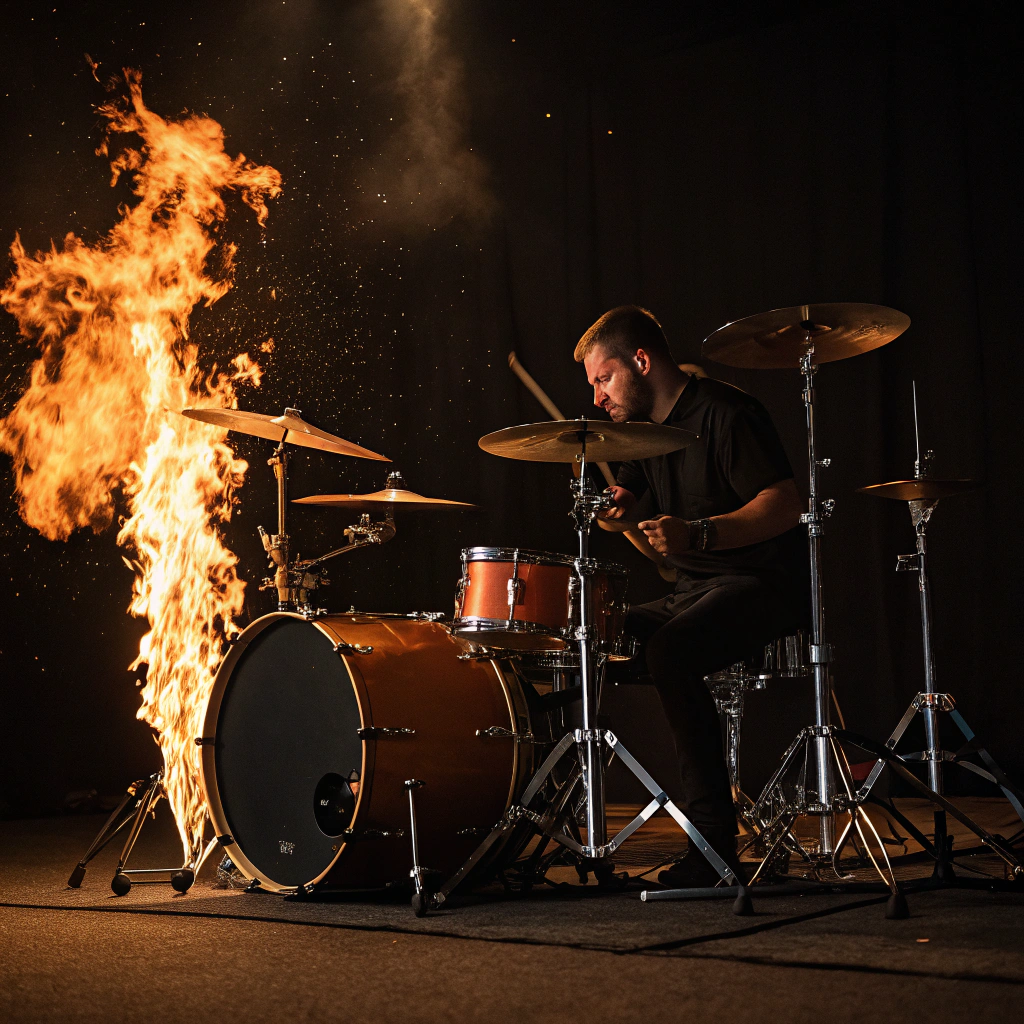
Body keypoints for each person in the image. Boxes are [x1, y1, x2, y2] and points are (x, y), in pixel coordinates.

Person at [576, 305, 809, 887]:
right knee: (588, 631)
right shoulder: (647, 438)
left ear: (642, 360)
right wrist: (614, 510)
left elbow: (784, 503)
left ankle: (714, 846)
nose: (598, 398)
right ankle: (552, 821)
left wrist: (699, 534)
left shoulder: (729, 412)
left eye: (604, 379)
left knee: (671, 652)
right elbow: (626, 501)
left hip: (760, 586)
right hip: (693, 592)